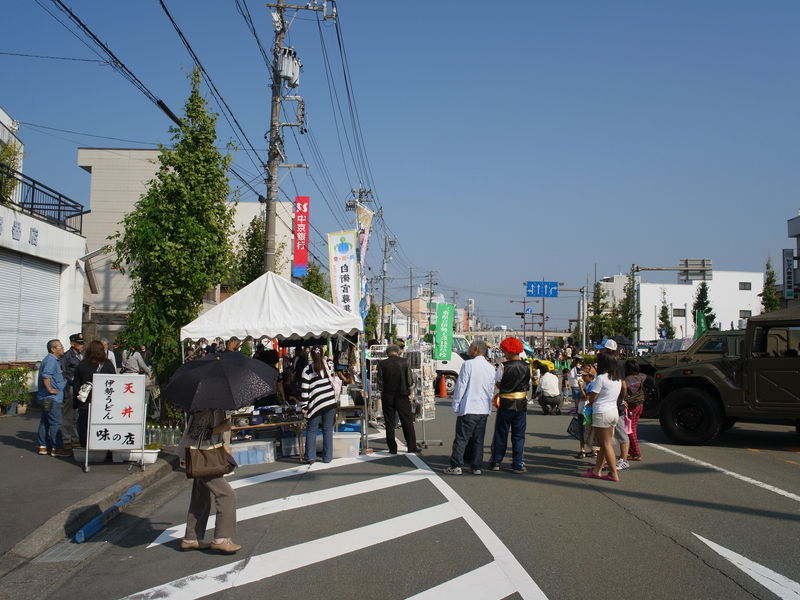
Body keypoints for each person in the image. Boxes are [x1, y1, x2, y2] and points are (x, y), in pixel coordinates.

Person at [177, 409, 240, 554]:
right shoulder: (206, 407)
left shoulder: (216, 406)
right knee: (226, 495)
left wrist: (224, 445)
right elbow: (196, 433)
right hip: (202, 457)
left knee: (201, 496)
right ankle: (221, 539)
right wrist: (222, 428)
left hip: (202, 455)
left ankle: (191, 538)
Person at [443, 340, 496, 475]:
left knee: (461, 438)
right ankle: (476, 466)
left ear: (476, 349)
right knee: (478, 440)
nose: (469, 350)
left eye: (470, 347)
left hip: (469, 407)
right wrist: (489, 408)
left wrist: (455, 404)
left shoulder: (468, 364)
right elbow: (491, 390)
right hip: (483, 408)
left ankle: (456, 465)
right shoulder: (490, 367)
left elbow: (461, 386)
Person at [581, 352, 625, 481]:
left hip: (602, 412)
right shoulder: (616, 378)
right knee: (604, 443)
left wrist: (590, 401)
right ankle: (597, 470)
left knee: (605, 444)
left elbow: (593, 396)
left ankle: (613, 473)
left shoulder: (601, 378)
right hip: (613, 411)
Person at [489, 337, 530, 474]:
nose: (503, 353)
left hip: (506, 403)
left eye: (504, 351)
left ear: (509, 350)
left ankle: (496, 461)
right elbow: (527, 385)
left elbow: (498, 383)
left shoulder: (503, 366)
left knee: (501, 433)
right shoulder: (526, 366)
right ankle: (518, 463)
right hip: (521, 403)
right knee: (519, 435)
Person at [72, 340, 116, 448]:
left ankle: (85, 448)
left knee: (84, 426)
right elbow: (114, 383)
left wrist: (76, 403)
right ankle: (102, 448)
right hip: (104, 402)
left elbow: (76, 385)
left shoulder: (82, 365)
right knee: (102, 426)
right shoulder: (108, 365)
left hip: (86, 402)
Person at [376, 344, 419, 454]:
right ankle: (411, 446)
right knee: (407, 422)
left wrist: (382, 390)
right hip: (402, 396)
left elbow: (380, 383)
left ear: (387, 353)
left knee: (389, 423)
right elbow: (410, 380)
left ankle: (392, 448)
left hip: (388, 396)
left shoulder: (382, 364)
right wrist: (411, 391)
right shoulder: (405, 362)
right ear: (397, 351)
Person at [301, 347, 338, 463]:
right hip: (330, 401)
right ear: (322, 354)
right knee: (327, 429)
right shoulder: (329, 365)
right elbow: (331, 365)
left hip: (316, 403)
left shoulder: (307, 370)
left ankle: (310, 457)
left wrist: (304, 406)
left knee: (312, 430)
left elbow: (305, 390)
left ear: (310, 356)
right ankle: (327, 457)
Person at [37, 339, 69, 456]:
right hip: (51, 397)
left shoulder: (51, 360)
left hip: (46, 397)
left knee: (45, 421)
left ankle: (43, 446)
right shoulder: (51, 360)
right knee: (56, 422)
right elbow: (46, 376)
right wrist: (50, 389)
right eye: (60, 347)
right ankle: (57, 448)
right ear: (53, 349)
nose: (63, 348)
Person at [60, 332, 84, 448]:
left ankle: (75, 438)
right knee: (68, 414)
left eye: (82, 343)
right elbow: (62, 373)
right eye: (79, 343)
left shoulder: (80, 355)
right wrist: (69, 381)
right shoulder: (67, 356)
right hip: (70, 387)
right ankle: (66, 440)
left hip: (79, 388)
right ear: (72, 343)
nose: (81, 345)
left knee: (76, 415)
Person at [624, 358, 648, 461]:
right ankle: (631, 451)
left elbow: (624, 393)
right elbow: (645, 376)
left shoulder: (626, 380)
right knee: (633, 429)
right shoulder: (641, 377)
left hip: (631, 406)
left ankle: (636, 453)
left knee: (630, 430)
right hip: (640, 405)